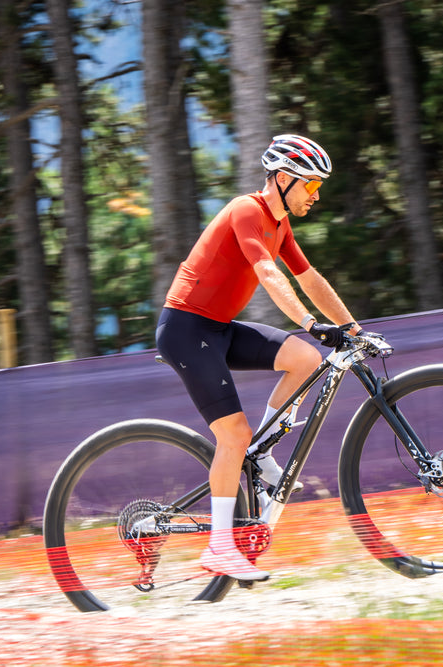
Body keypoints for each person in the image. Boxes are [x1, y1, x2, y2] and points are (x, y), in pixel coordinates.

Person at [155, 134, 360, 582]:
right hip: (186, 330)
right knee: (232, 434)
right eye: (311, 185)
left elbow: (308, 277)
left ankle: (260, 450)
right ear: (283, 179)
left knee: (305, 359)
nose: (316, 195)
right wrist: (310, 322)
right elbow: (267, 272)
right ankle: (219, 547)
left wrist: (353, 328)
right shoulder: (247, 210)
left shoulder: (280, 224)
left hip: (218, 328)